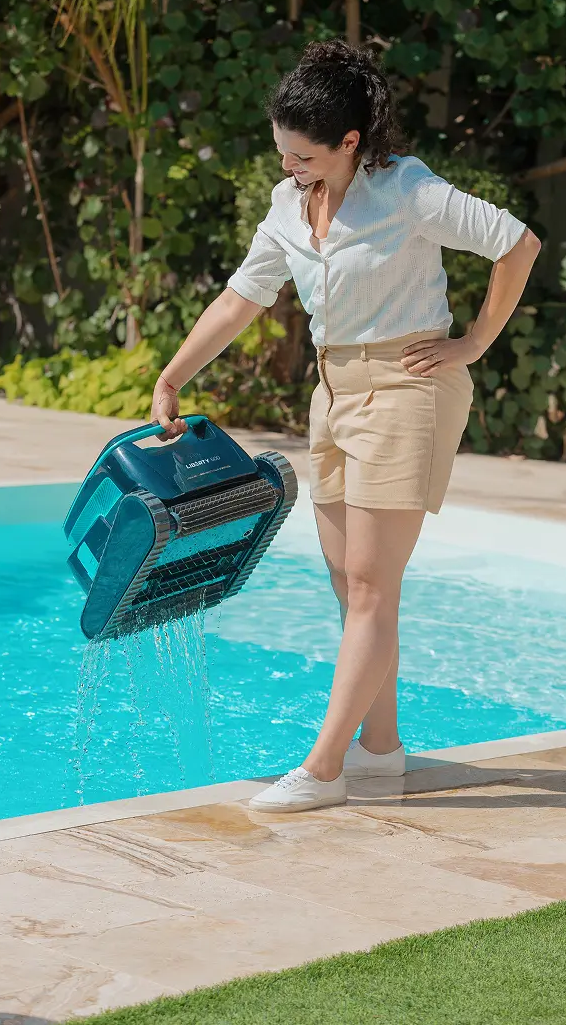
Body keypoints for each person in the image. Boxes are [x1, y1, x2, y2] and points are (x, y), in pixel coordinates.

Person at [151, 39, 541, 813]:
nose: (291, 167)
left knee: (369, 587)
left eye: (303, 156)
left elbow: (517, 244)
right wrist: (171, 374)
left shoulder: (408, 191)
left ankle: (325, 768)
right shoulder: (287, 205)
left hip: (407, 387)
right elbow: (243, 296)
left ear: (351, 142)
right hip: (332, 394)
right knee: (349, 587)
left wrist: (473, 343)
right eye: (283, 153)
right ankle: (381, 753)